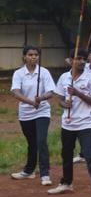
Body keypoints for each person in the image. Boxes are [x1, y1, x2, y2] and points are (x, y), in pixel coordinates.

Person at [48, 49, 91, 197]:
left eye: (84, 59)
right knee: (66, 155)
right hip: (68, 124)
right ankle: (66, 183)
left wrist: (77, 93)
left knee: (90, 156)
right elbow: (60, 99)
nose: (82, 61)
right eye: (79, 58)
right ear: (71, 60)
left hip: (85, 124)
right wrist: (65, 104)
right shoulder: (64, 77)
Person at [10, 45, 56, 186]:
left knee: (41, 141)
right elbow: (15, 92)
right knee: (32, 143)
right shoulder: (18, 73)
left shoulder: (44, 72)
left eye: (36, 55)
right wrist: (31, 102)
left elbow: (51, 91)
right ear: (24, 57)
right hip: (25, 114)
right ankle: (29, 170)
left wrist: (40, 98)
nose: (34, 57)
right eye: (30, 55)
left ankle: (45, 173)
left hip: (42, 111)